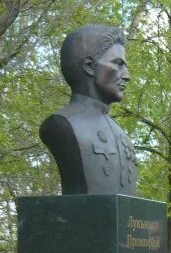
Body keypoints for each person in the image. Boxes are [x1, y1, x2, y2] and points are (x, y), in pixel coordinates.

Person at [40, 25, 138, 195]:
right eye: (118, 64)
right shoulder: (62, 125)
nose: (127, 75)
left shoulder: (123, 137)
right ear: (90, 66)